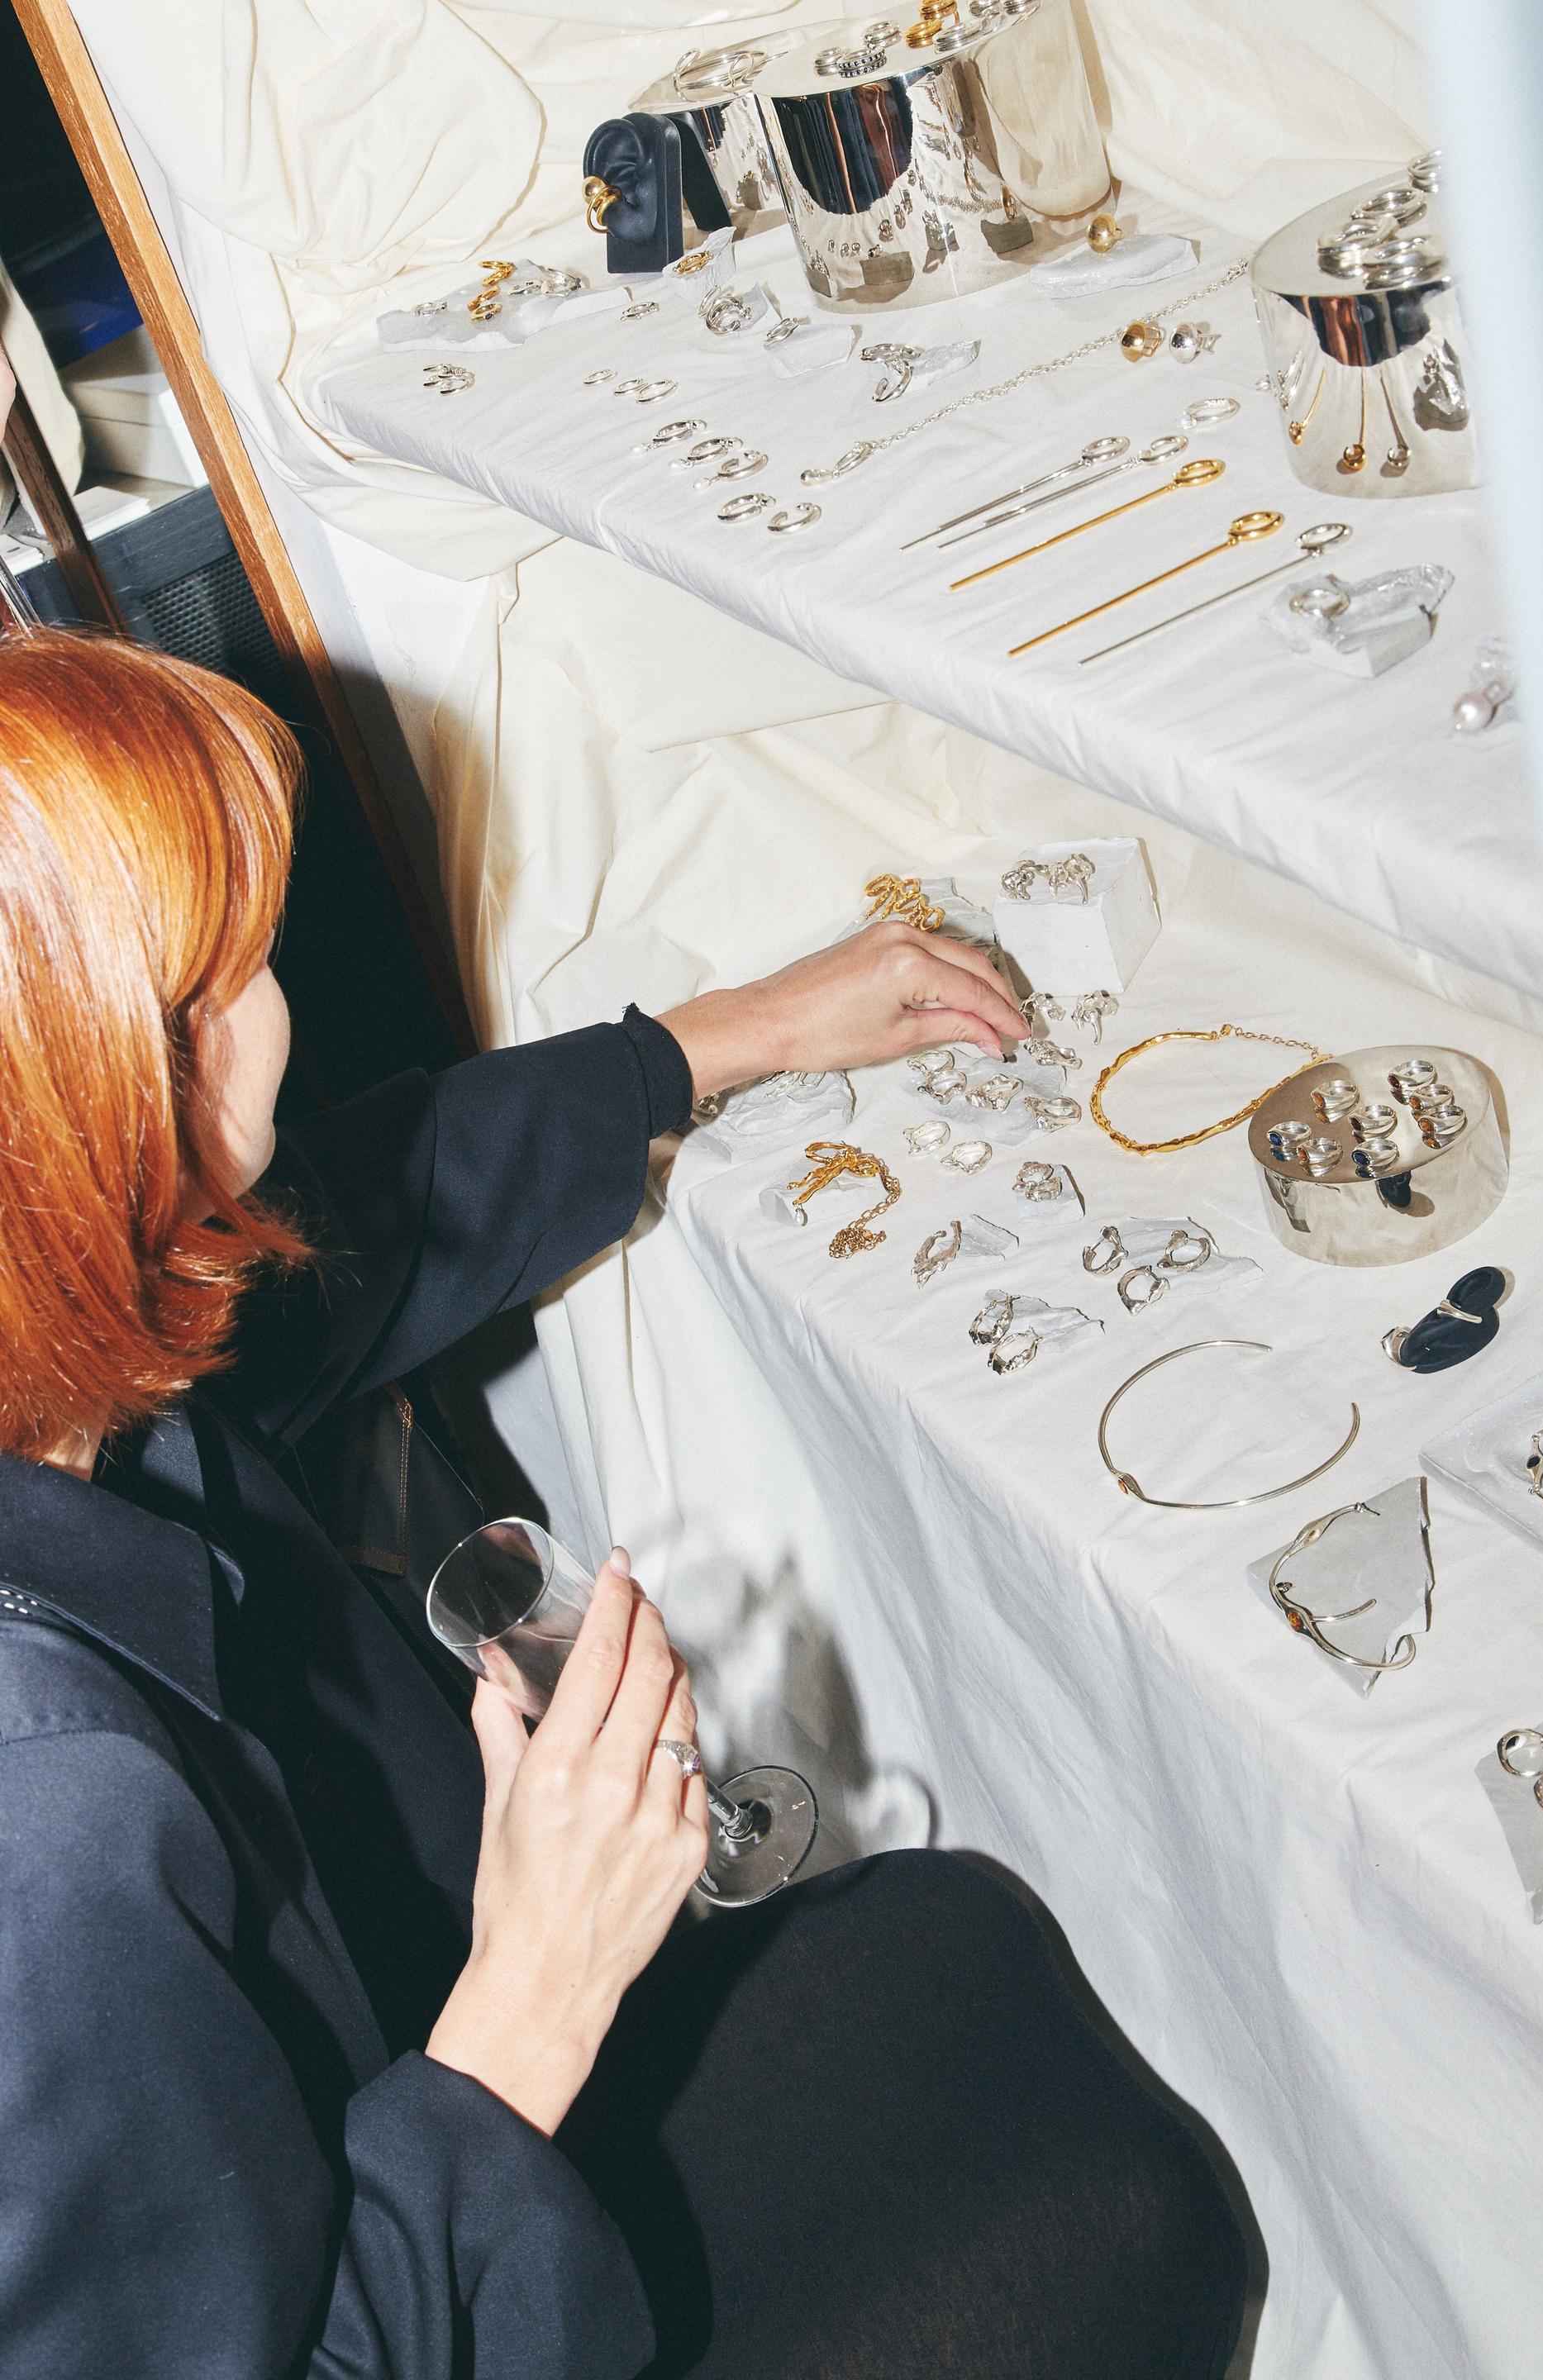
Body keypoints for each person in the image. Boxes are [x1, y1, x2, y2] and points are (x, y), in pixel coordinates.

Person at [0, 623, 1248, 2378]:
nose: (280, 998)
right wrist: (536, 1988)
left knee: (949, 1939)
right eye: (234, 967)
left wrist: (721, 1040)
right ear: (113, 1089)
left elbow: (341, 1240)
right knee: (1122, 2199)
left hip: (425, 2074)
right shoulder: (45, 1810)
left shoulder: (60, 1353)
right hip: (455, 2206)